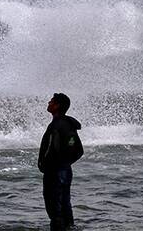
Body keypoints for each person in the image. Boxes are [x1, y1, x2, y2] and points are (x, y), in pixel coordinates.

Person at [38, 92, 83, 230]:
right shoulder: (68, 124)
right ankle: (69, 227)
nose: (49, 103)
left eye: (51, 101)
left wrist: (47, 165)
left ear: (57, 106)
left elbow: (53, 148)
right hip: (65, 170)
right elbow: (78, 150)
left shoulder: (57, 126)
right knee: (65, 204)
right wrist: (65, 163)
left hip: (54, 172)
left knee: (54, 208)